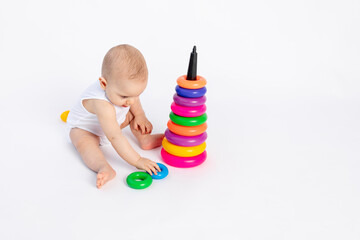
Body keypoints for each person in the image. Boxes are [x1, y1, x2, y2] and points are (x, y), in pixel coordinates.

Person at [67, 44, 164, 189]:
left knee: (133, 114)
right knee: (83, 142)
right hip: (88, 129)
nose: (131, 101)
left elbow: (132, 100)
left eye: (136, 95)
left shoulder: (122, 89)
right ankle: (103, 167)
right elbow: (115, 137)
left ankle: (144, 139)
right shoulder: (102, 105)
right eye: (125, 96)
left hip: (112, 122)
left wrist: (140, 116)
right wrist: (138, 160)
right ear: (104, 84)